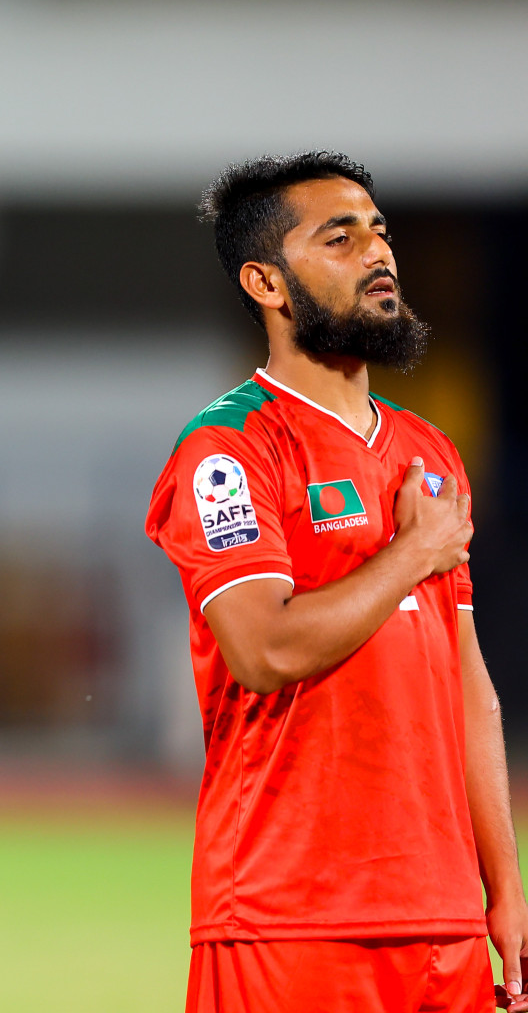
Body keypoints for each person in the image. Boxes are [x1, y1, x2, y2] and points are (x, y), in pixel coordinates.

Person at [145, 152, 528, 1013]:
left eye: (380, 232)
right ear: (267, 283)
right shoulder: (230, 448)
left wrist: (504, 891)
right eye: (341, 237)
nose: (378, 254)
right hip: (290, 924)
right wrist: (408, 556)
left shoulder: (430, 454)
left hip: (443, 923)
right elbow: (264, 648)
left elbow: (470, 690)